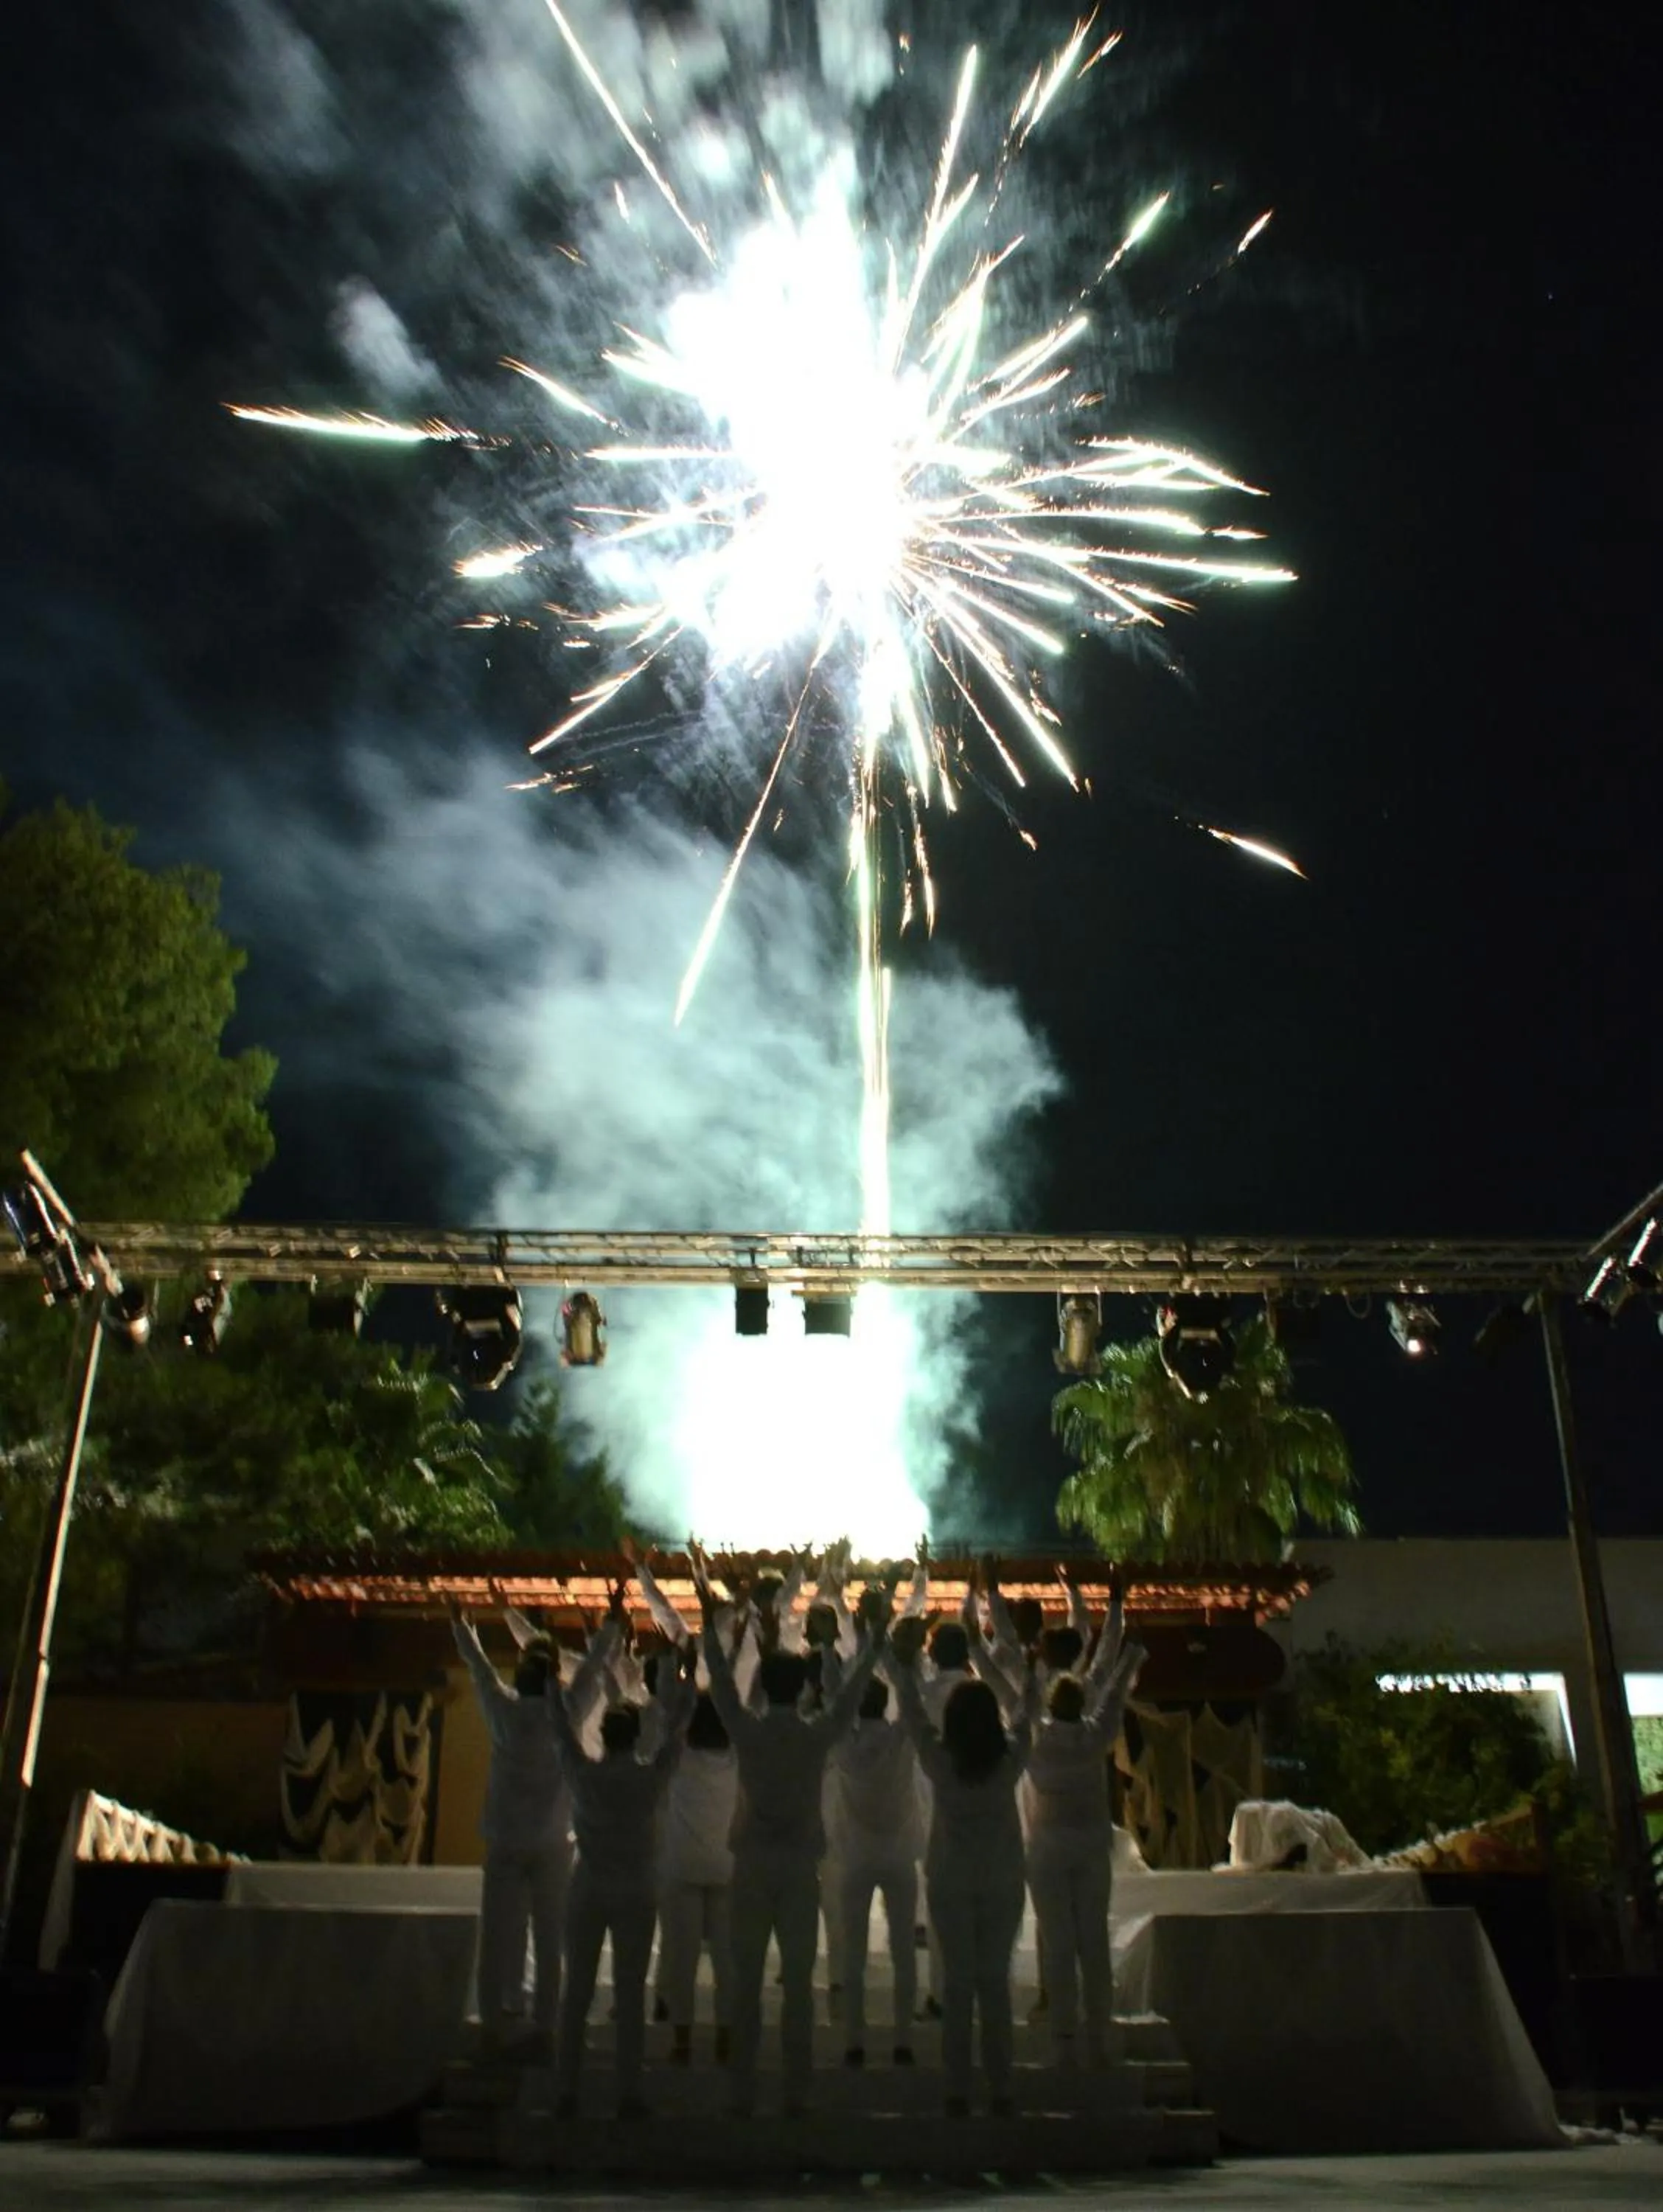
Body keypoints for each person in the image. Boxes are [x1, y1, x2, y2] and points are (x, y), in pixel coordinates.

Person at [691, 1542, 884, 2118]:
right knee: (798, 1985)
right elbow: (854, 1690)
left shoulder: (748, 1732)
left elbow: (721, 1682)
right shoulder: (816, 1732)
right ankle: (796, 2096)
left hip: (752, 1870)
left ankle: (741, 2095)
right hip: (800, 1872)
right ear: (801, 1688)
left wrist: (713, 1620)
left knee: (746, 1983)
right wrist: (870, 1632)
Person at [450, 1596, 616, 2054]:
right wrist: (608, 1626)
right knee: (550, 1938)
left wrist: (461, 1624)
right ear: (552, 1679)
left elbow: (480, 1668)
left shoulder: (502, 1712)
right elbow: (593, 1672)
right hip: (552, 1844)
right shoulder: (563, 1718)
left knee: (499, 1937)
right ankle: (546, 2027)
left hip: (504, 1841)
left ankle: (495, 2022)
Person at [891, 1616, 1040, 2117]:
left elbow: (911, 1712)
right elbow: (1026, 1713)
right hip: (1001, 1881)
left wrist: (900, 1657)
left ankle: (957, 2093)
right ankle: (1002, 2091)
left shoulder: (940, 1760)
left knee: (956, 1987)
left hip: (951, 1881)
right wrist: (1033, 1670)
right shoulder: (1010, 1760)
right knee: (994, 1985)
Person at [549, 1639, 694, 2117]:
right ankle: (629, 2094)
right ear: (635, 1738)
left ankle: (566, 2092)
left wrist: (551, 1680)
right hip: (636, 1888)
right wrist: (686, 1677)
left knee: (578, 1993)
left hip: (588, 1885)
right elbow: (678, 1730)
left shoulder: (584, 1776)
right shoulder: (649, 1778)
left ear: (605, 1736)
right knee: (631, 1994)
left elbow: (560, 1728)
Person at [1022, 1594, 1147, 2069]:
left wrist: (1032, 1668)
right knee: (1092, 1936)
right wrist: (1132, 1648)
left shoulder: (1036, 1738)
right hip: (1092, 1849)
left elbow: (1024, 1704)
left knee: (1056, 1937)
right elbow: (1114, 1691)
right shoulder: (1096, 1736)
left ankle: (1063, 2028)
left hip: (1049, 1850)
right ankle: (1100, 2027)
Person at [830, 1672, 922, 2067]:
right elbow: (913, 1700)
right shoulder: (901, 1738)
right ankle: (903, 2039)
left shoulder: (844, 1745)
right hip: (900, 1857)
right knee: (904, 1952)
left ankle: (854, 2040)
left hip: (855, 1858)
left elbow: (835, 1704)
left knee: (853, 1953)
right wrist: (894, 1656)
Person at [657, 1689, 739, 2065]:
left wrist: (681, 1677)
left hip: (682, 1867)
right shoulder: (738, 1759)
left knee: (681, 1960)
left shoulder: (679, 1759)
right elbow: (749, 1710)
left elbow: (668, 1725)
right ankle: (725, 2036)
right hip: (726, 1868)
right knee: (727, 1962)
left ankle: (682, 2039)